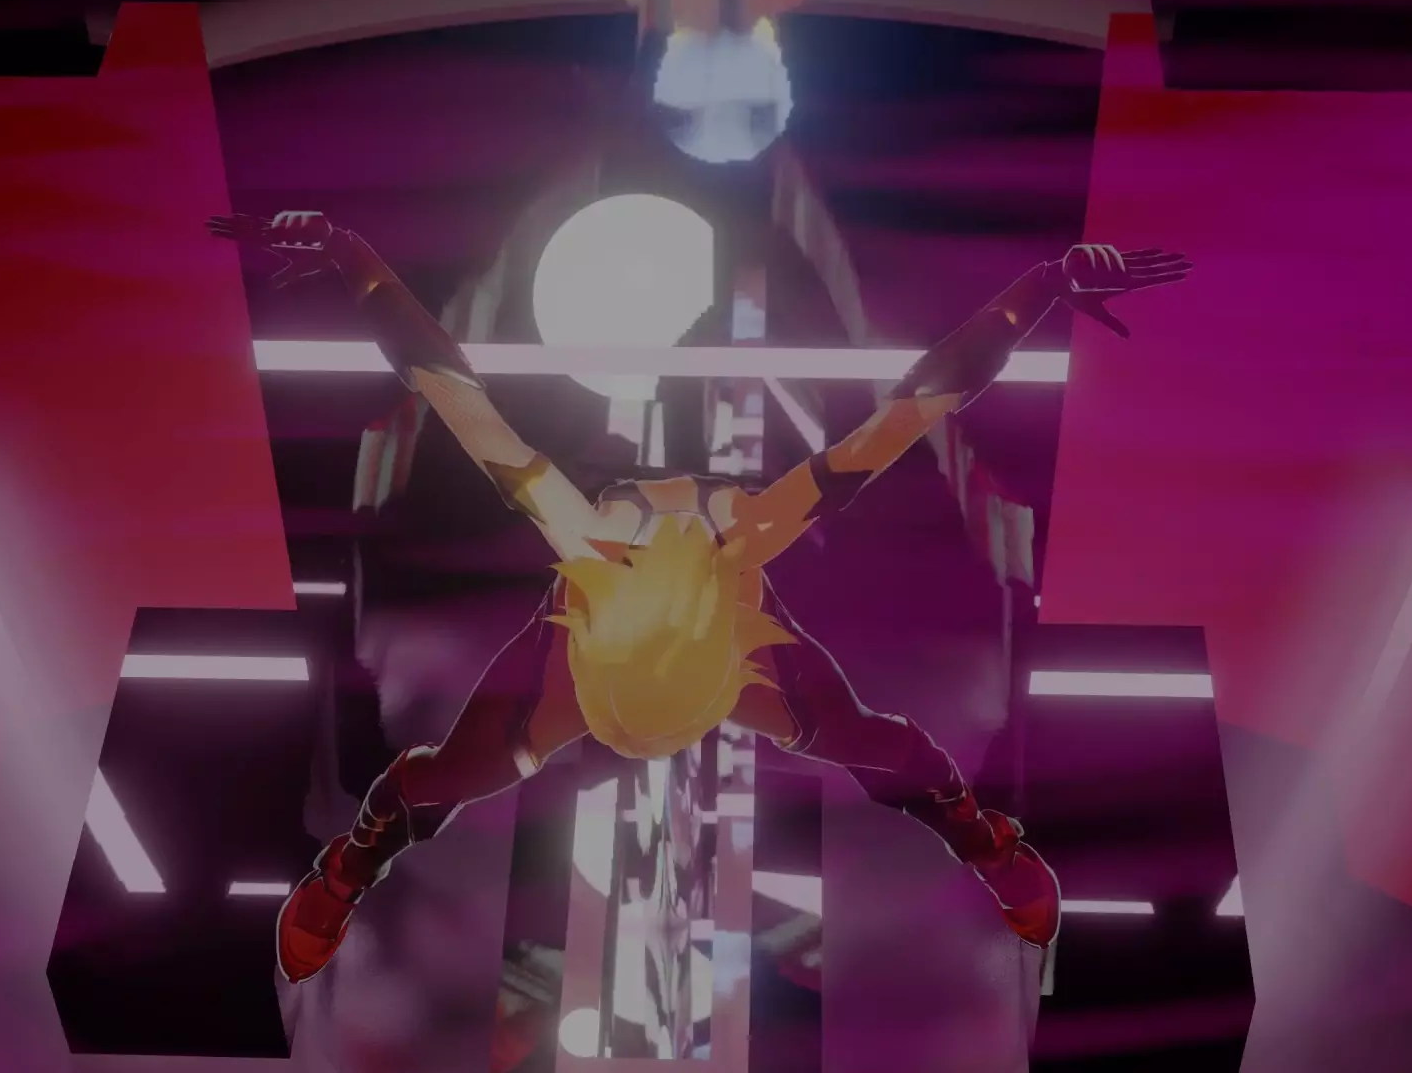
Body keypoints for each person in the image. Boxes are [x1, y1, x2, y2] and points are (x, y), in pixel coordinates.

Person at [206, 210, 1190, 983]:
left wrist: (347, 251)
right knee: (431, 786)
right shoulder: (660, 531)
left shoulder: (659, 532)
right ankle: (345, 871)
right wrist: (1040, 286)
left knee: (882, 750)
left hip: (672, 660)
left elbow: (444, 382)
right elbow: (444, 383)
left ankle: (346, 871)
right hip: (616, 657)